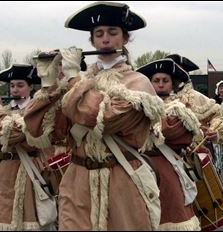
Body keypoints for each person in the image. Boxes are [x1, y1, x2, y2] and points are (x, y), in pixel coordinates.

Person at [57, 2, 168, 230]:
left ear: (125, 39)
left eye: (112, 33)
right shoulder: (78, 82)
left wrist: (73, 81)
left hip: (121, 180)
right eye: (99, 34)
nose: (105, 39)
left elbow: (102, 118)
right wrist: (50, 86)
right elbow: (51, 132)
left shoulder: (138, 83)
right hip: (78, 182)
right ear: (92, 41)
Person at [0, 64, 56, 230]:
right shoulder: (4, 111)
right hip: (6, 173)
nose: (15, 90)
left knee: (29, 218)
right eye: (12, 86)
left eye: (20, 85)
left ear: (30, 87)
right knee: (3, 217)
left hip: (31, 171)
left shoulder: (34, 110)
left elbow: (13, 135)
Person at [137, 58, 203, 230]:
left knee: (173, 216)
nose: (160, 85)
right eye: (156, 81)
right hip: (139, 168)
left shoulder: (180, 107)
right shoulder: (137, 106)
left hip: (168, 169)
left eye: (165, 81)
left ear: (172, 84)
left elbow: (178, 134)